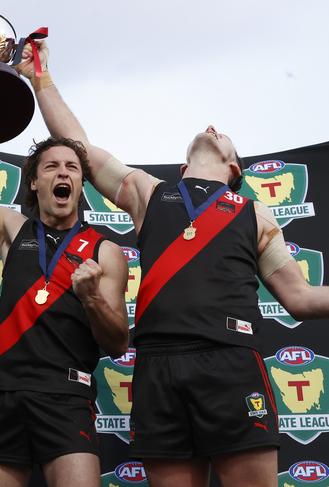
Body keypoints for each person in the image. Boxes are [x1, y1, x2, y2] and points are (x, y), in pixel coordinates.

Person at [21, 41, 329, 487]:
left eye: (222, 132)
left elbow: (300, 298)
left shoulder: (256, 215)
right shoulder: (150, 194)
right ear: (184, 166)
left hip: (229, 363)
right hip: (158, 366)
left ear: (235, 168)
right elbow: (78, 148)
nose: (211, 126)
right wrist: (41, 78)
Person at [0, 132, 129, 487]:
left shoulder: (104, 251)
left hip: (67, 396)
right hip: (4, 394)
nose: (63, 174)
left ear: (80, 183)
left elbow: (118, 342)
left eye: (72, 168)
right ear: (34, 180)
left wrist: (92, 299)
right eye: (52, 167)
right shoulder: (12, 229)